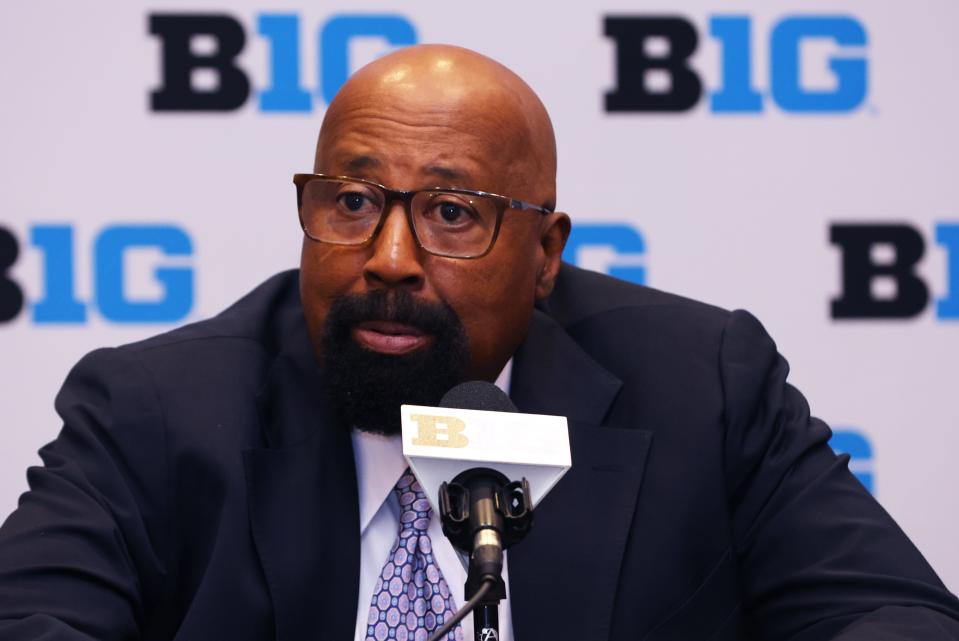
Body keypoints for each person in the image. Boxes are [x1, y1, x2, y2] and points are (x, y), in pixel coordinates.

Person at [1, 44, 957, 641]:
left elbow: (892, 616)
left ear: (544, 254)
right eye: (353, 202)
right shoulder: (158, 410)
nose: (387, 259)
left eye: (452, 213)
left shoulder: (701, 388)